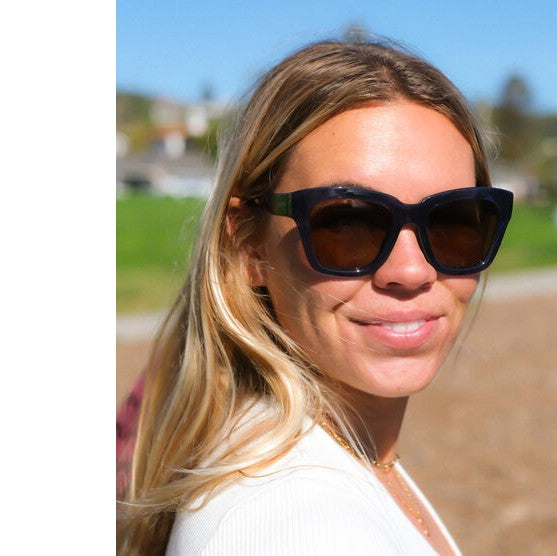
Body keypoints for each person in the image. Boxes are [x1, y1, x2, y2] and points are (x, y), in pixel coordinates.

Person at [117, 38, 513, 555]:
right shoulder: (292, 521)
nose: (412, 271)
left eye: (455, 221)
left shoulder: (338, 459)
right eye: (347, 223)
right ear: (248, 244)